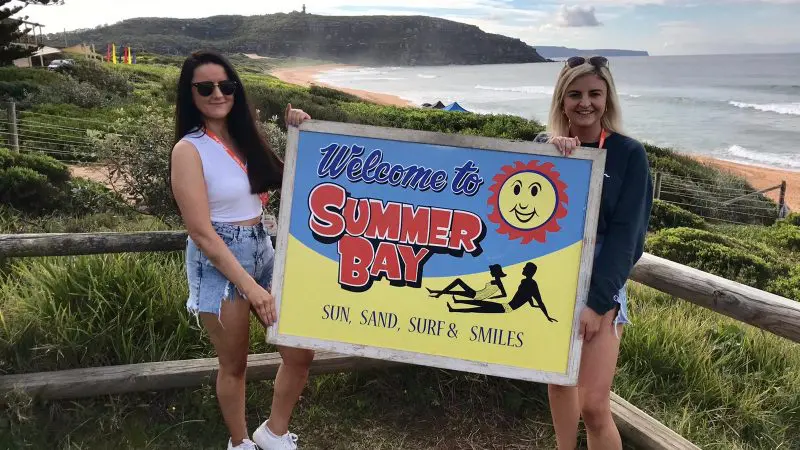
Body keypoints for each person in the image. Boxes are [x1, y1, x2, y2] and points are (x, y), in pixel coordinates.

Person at [169, 49, 313, 450]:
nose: (218, 93)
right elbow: (201, 232)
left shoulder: (244, 137)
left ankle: (274, 432)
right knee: (235, 363)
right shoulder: (188, 149)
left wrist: (298, 131)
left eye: (226, 85)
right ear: (190, 94)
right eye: (206, 87)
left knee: (299, 352)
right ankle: (240, 442)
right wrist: (252, 288)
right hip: (219, 258)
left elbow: (293, 179)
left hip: (260, 246)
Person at [539, 56, 653, 449]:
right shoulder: (546, 148)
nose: (584, 102)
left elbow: (628, 237)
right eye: (575, 94)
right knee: (558, 385)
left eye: (594, 94)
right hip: (553, 278)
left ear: (608, 99)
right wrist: (550, 149)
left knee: (594, 405)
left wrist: (597, 302)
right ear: (562, 100)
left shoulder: (628, 154)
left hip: (601, 279)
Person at [445, 262, 558, 323]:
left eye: (525, 268)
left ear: (529, 271)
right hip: (506, 305)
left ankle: (454, 309)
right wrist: (533, 305)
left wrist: (547, 316)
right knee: (481, 304)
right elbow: (527, 296)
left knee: (480, 308)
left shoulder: (532, 284)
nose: (523, 269)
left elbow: (539, 300)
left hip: (508, 308)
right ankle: (455, 305)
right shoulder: (525, 282)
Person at [426, 263, 508, 300]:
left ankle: (438, 294)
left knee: (458, 281)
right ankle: (434, 292)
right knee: (455, 292)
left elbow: (504, 295)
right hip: (477, 295)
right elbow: (503, 294)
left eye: (491, 271)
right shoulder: (497, 281)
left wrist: (491, 298)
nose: (490, 272)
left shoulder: (499, 282)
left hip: (477, 295)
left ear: (496, 271)